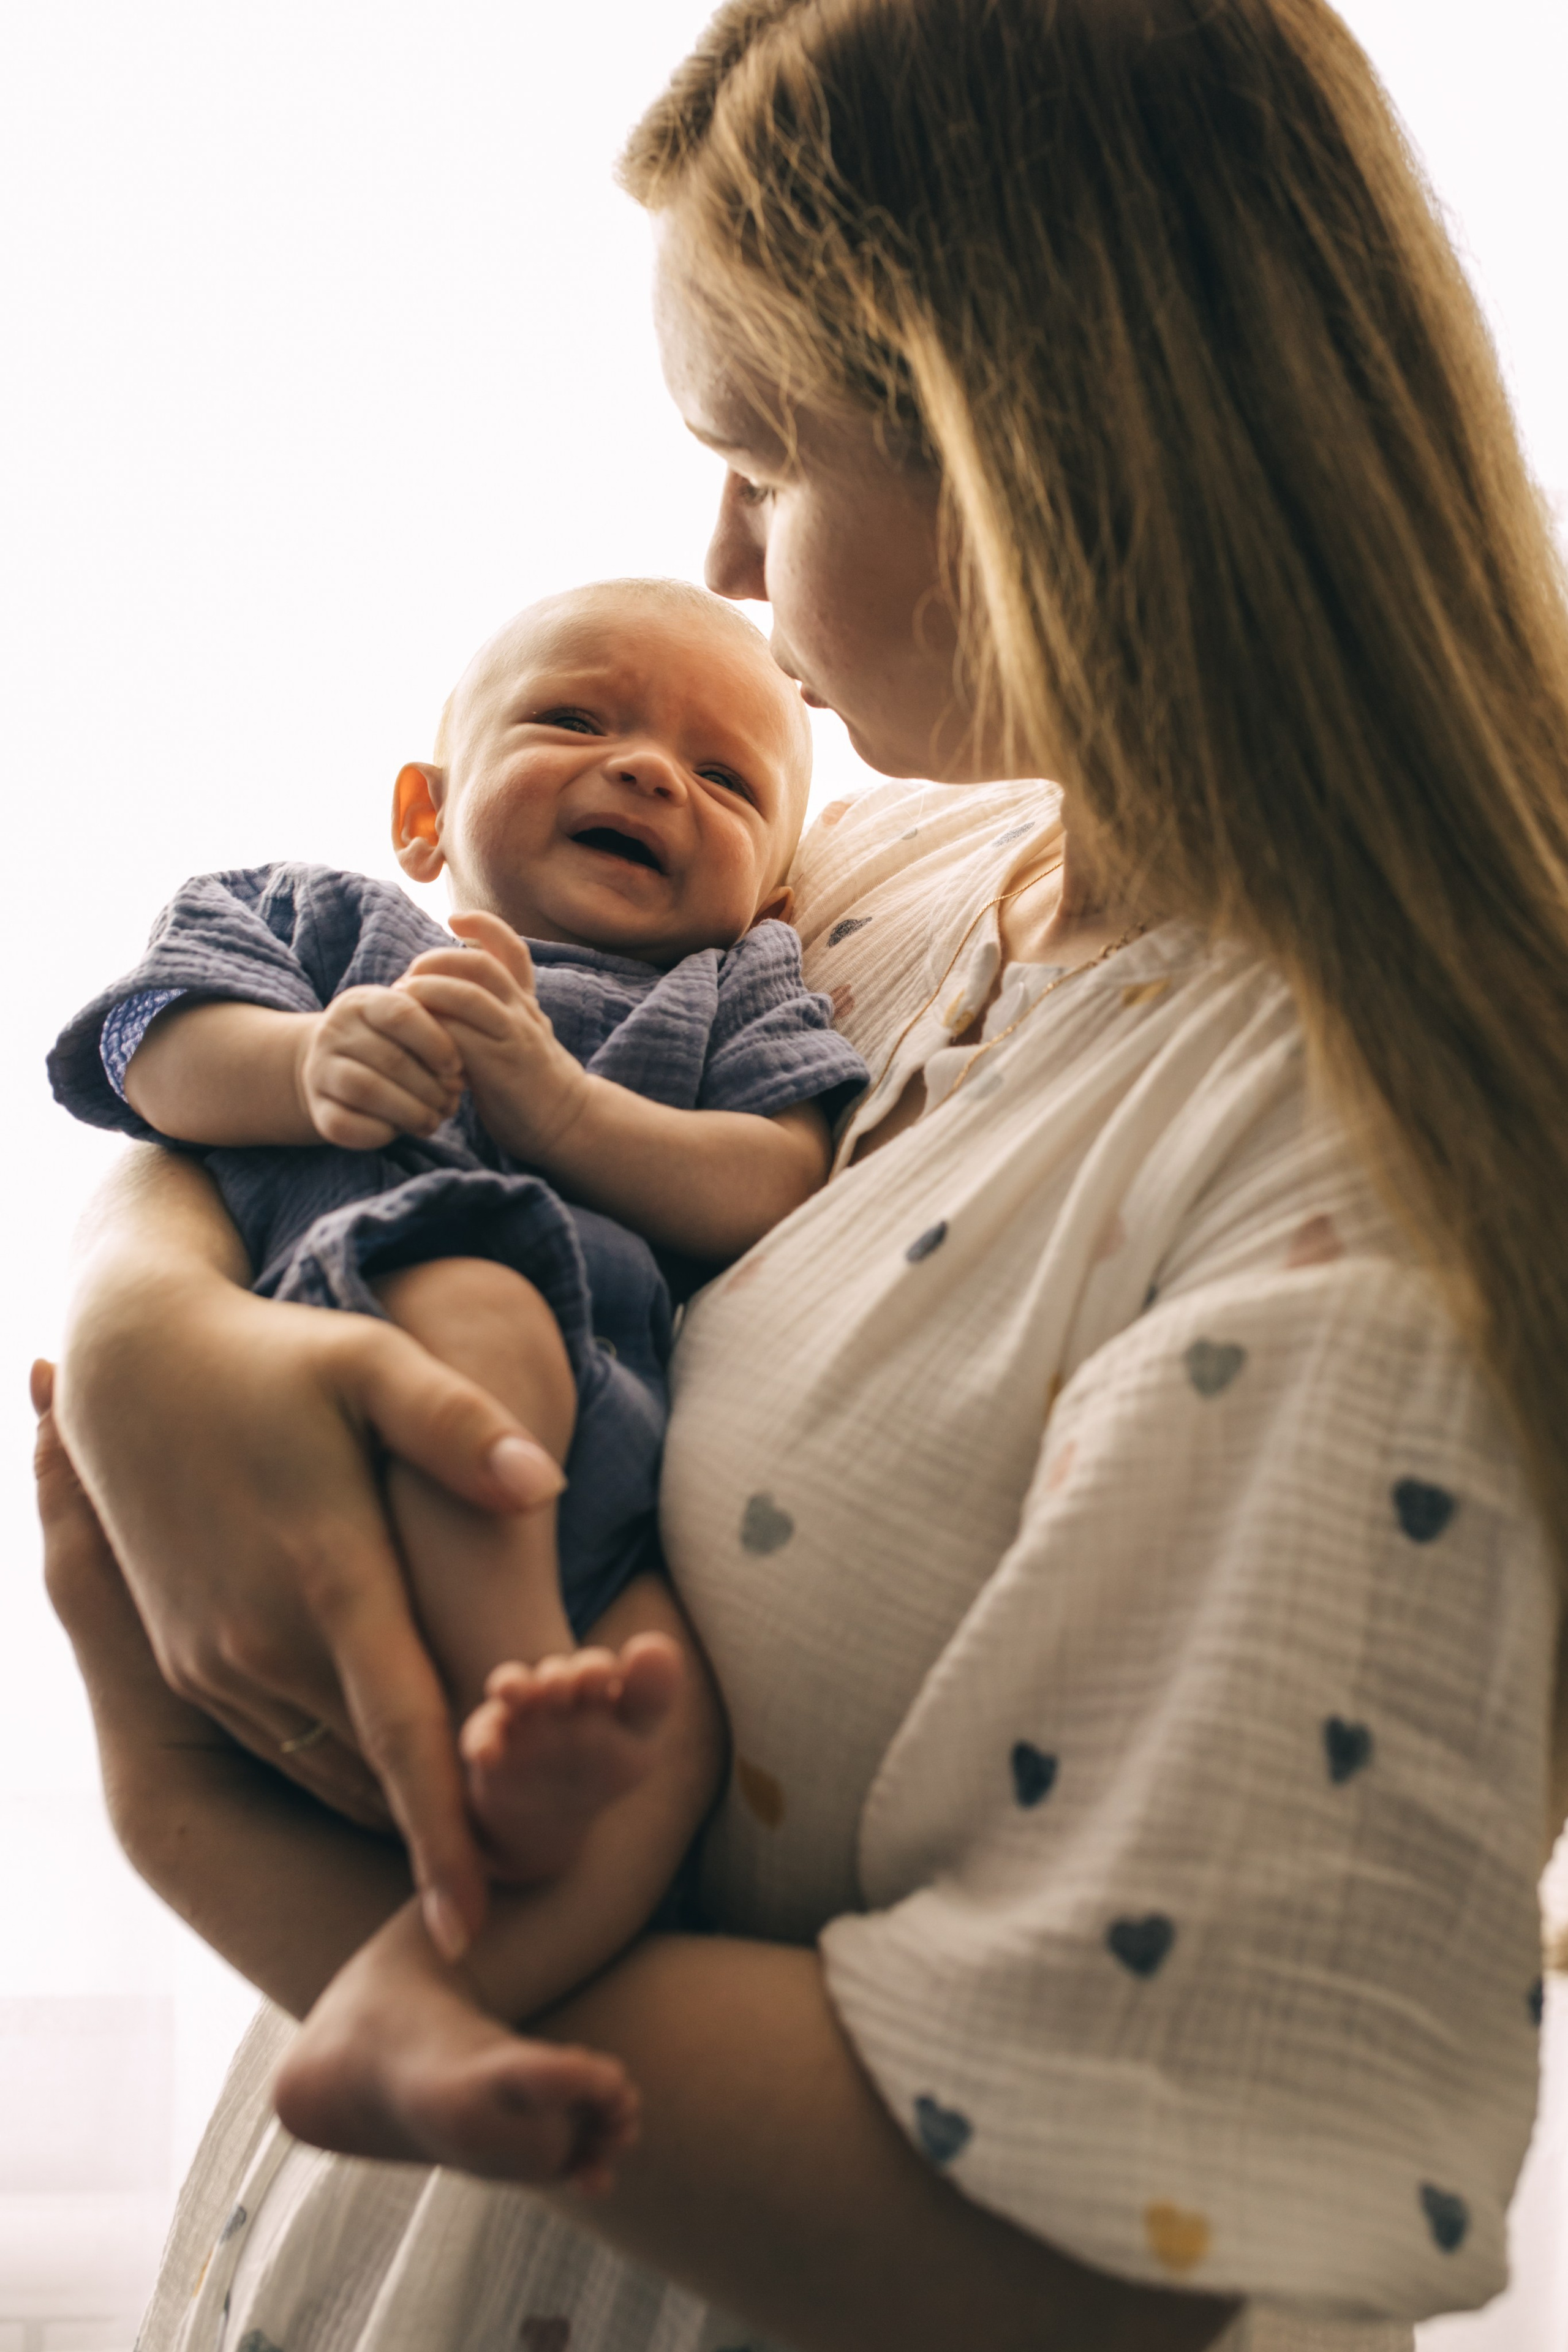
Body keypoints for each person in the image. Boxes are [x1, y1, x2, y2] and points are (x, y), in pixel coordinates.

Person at [37, 1, 1568, 2346]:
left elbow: (1086, 2262)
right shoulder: (903, 880)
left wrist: (207, 1835)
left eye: (765, 455)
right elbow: (367, 1029)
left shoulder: (1355, 1198)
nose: (723, 563)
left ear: (1031, 453)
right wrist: (152, 1329)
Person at [46, 576, 867, 2184]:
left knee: (673, 1720)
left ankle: (419, 1998)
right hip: (325, 1398)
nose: (648, 773)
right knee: (480, 1293)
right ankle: (509, 1710)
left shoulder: (729, 995)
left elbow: (774, 1179)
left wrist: (560, 1108)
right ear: (421, 812)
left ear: (770, 897)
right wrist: (305, 1064)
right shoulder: (332, 923)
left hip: (600, 1494)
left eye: (725, 779)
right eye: (579, 719)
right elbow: (149, 1047)